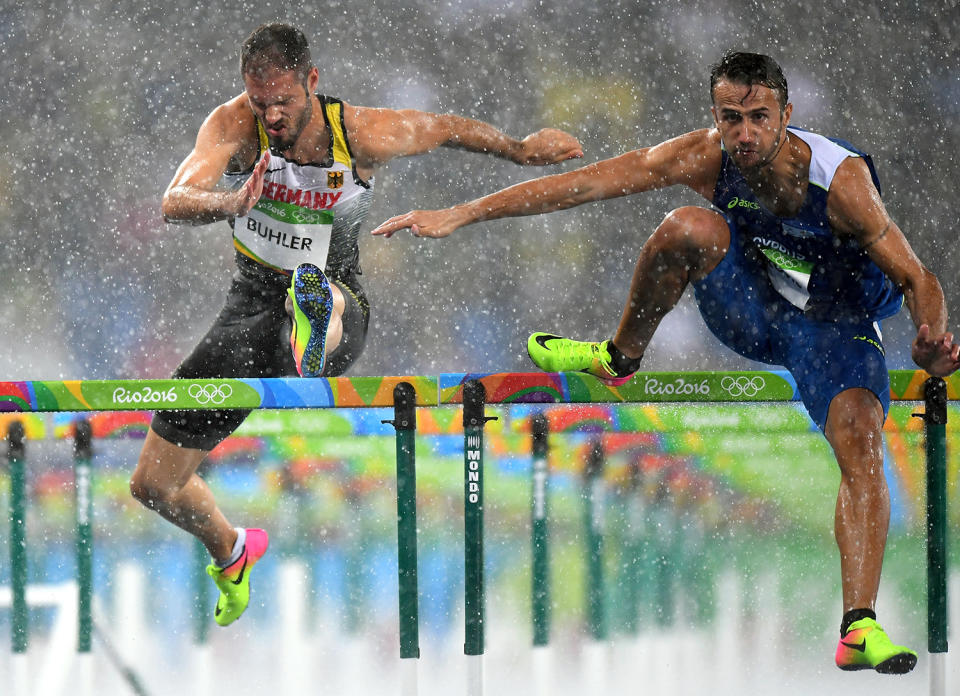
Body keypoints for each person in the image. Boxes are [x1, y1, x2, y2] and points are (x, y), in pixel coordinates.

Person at [372, 51, 960, 674]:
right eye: (731, 118)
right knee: (686, 226)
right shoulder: (705, 156)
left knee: (862, 442)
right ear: (716, 115)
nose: (744, 134)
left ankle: (858, 625)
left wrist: (930, 339)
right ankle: (619, 357)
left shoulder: (840, 182)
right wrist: (461, 213)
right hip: (755, 313)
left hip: (836, 328)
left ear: (787, 116)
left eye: (759, 117)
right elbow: (582, 186)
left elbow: (918, 277)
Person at [129, 22, 583, 628]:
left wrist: (521, 149)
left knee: (312, 297)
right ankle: (233, 551)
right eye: (260, 102)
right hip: (246, 311)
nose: (272, 117)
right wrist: (229, 202)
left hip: (339, 301)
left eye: (284, 102)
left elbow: (445, 128)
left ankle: (313, 327)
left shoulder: (359, 131)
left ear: (312, 83)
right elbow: (174, 199)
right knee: (153, 486)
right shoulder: (233, 125)